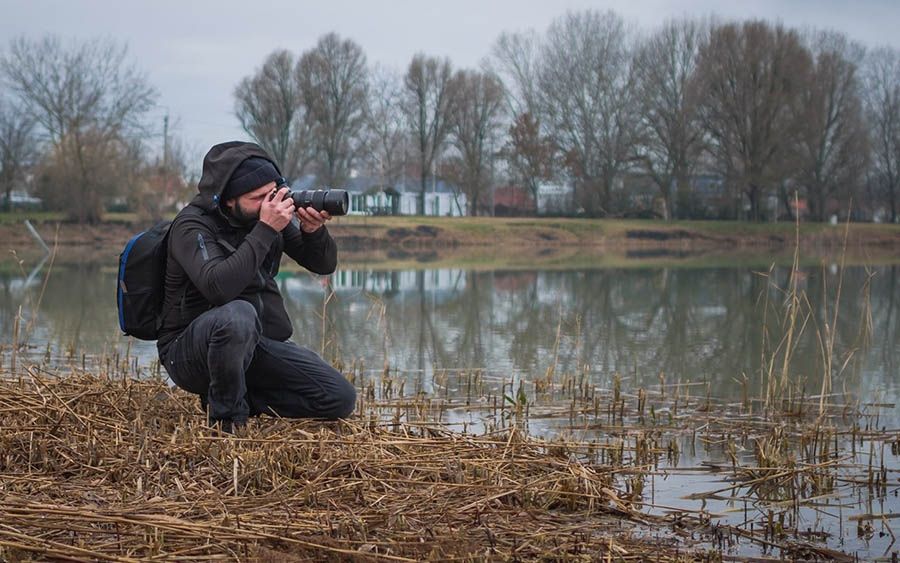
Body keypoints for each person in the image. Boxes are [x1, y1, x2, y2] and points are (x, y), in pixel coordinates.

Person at [156, 141, 356, 432]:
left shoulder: (265, 217)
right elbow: (218, 288)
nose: (269, 202)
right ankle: (227, 421)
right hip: (190, 351)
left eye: (273, 193)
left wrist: (313, 232)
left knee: (339, 398)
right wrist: (265, 229)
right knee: (238, 314)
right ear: (227, 200)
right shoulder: (191, 227)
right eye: (258, 197)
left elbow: (323, 265)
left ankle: (242, 396)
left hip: (256, 344)